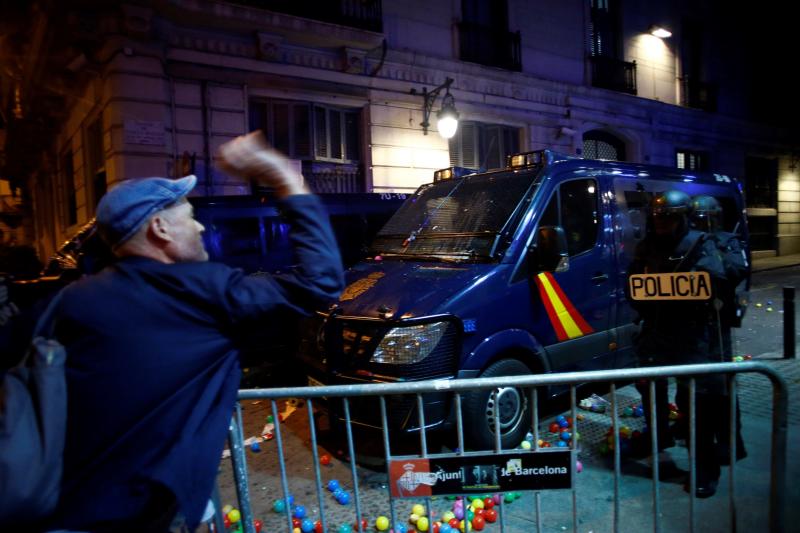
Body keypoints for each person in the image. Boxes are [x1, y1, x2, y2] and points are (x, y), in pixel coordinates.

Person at [38, 131, 344, 532]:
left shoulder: (74, 299)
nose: (200, 228)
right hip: (137, 514)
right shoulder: (198, 290)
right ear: (161, 228)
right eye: (190, 216)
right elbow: (320, 282)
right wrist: (285, 180)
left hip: (59, 507)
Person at [626, 189, 728, 498]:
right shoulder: (647, 246)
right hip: (657, 332)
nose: (662, 224)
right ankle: (658, 437)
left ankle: (705, 468)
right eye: (658, 218)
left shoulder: (701, 243)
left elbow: (716, 280)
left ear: (682, 218)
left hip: (692, 335)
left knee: (696, 404)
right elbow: (633, 282)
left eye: (668, 218)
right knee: (650, 391)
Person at [688, 194, 749, 465]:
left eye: (705, 218)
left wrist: (712, 249)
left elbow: (735, 271)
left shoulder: (727, 241)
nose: (702, 223)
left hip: (717, 326)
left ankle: (730, 443)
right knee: (696, 392)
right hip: (692, 326)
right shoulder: (689, 243)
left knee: (722, 389)